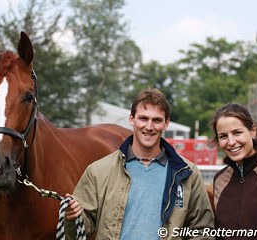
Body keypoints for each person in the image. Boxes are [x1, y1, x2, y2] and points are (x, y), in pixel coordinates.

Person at [64, 88, 214, 239]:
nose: (149, 127)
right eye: (143, 118)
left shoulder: (187, 173)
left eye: (156, 120)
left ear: (166, 123)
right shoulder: (98, 171)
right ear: (132, 119)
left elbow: (202, 229)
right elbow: (77, 232)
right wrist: (73, 218)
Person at [210, 103, 257, 239]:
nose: (231, 142)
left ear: (252, 130)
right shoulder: (220, 179)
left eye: (237, 133)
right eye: (223, 136)